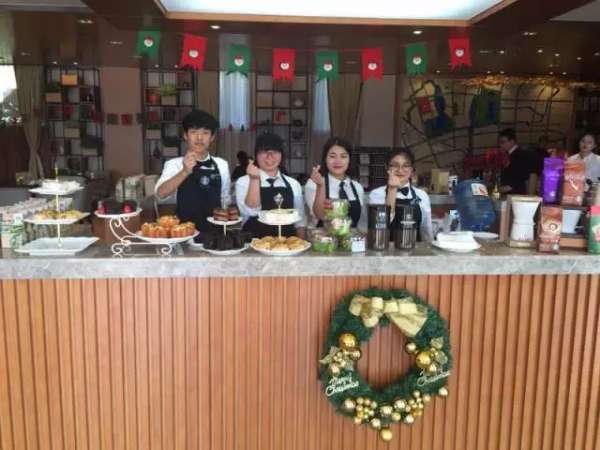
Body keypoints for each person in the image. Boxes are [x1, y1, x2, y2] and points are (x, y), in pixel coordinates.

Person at [154, 109, 230, 232]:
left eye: (205, 133)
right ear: (185, 135)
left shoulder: (222, 165)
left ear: (212, 137)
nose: (199, 138)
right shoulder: (174, 164)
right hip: (183, 232)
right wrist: (184, 172)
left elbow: (224, 198)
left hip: (215, 232)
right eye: (194, 132)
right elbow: (160, 195)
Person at [235, 132, 305, 238]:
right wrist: (254, 180)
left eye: (275, 151)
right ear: (256, 155)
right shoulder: (243, 182)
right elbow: (251, 212)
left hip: (287, 243)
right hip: (253, 243)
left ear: (281, 155)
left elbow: (300, 221)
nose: (269, 156)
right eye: (264, 151)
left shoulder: (293, 184)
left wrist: (302, 243)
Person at [368, 148, 432, 242]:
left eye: (405, 165)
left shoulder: (422, 195)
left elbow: (426, 229)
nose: (400, 170)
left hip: (415, 249)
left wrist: (429, 248)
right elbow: (381, 226)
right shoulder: (377, 194)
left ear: (411, 170)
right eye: (395, 165)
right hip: (384, 248)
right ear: (387, 168)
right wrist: (392, 189)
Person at [304, 137, 367, 231]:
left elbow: (362, 223)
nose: (338, 161)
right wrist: (321, 186)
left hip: (351, 239)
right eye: (332, 156)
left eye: (343, 156)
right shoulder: (313, 184)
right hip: (322, 239)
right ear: (325, 159)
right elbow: (321, 215)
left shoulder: (357, 187)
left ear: (349, 159)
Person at [498, 128, 537, 195]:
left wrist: (499, 190)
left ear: (512, 142)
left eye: (503, 142)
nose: (501, 145)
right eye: (500, 142)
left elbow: (517, 180)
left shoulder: (518, 156)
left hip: (516, 194)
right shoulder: (515, 154)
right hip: (515, 193)